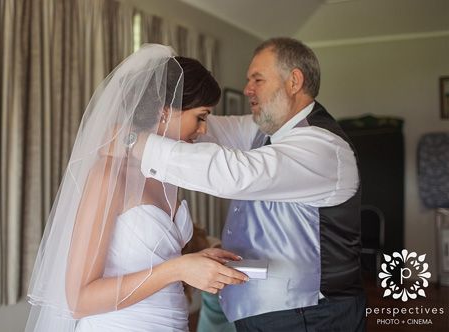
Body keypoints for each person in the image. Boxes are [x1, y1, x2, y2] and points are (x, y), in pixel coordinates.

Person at [135, 37, 363, 330]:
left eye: (258, 79)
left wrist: (133, 143)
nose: (247, 90)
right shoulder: (262, 130)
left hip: (311, 316)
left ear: (294, 81)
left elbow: (234, 174)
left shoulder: (324, 147)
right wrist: (153, 112)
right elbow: (198, 127)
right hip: (260, 311)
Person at [25, 44, 249, 332]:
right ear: (166, 112)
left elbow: (153, 258)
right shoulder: (108, 175)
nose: (204, 129)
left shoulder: (166, 175)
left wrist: (195, 260)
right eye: (201, 116)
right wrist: (178, 269)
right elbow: (79, 299)